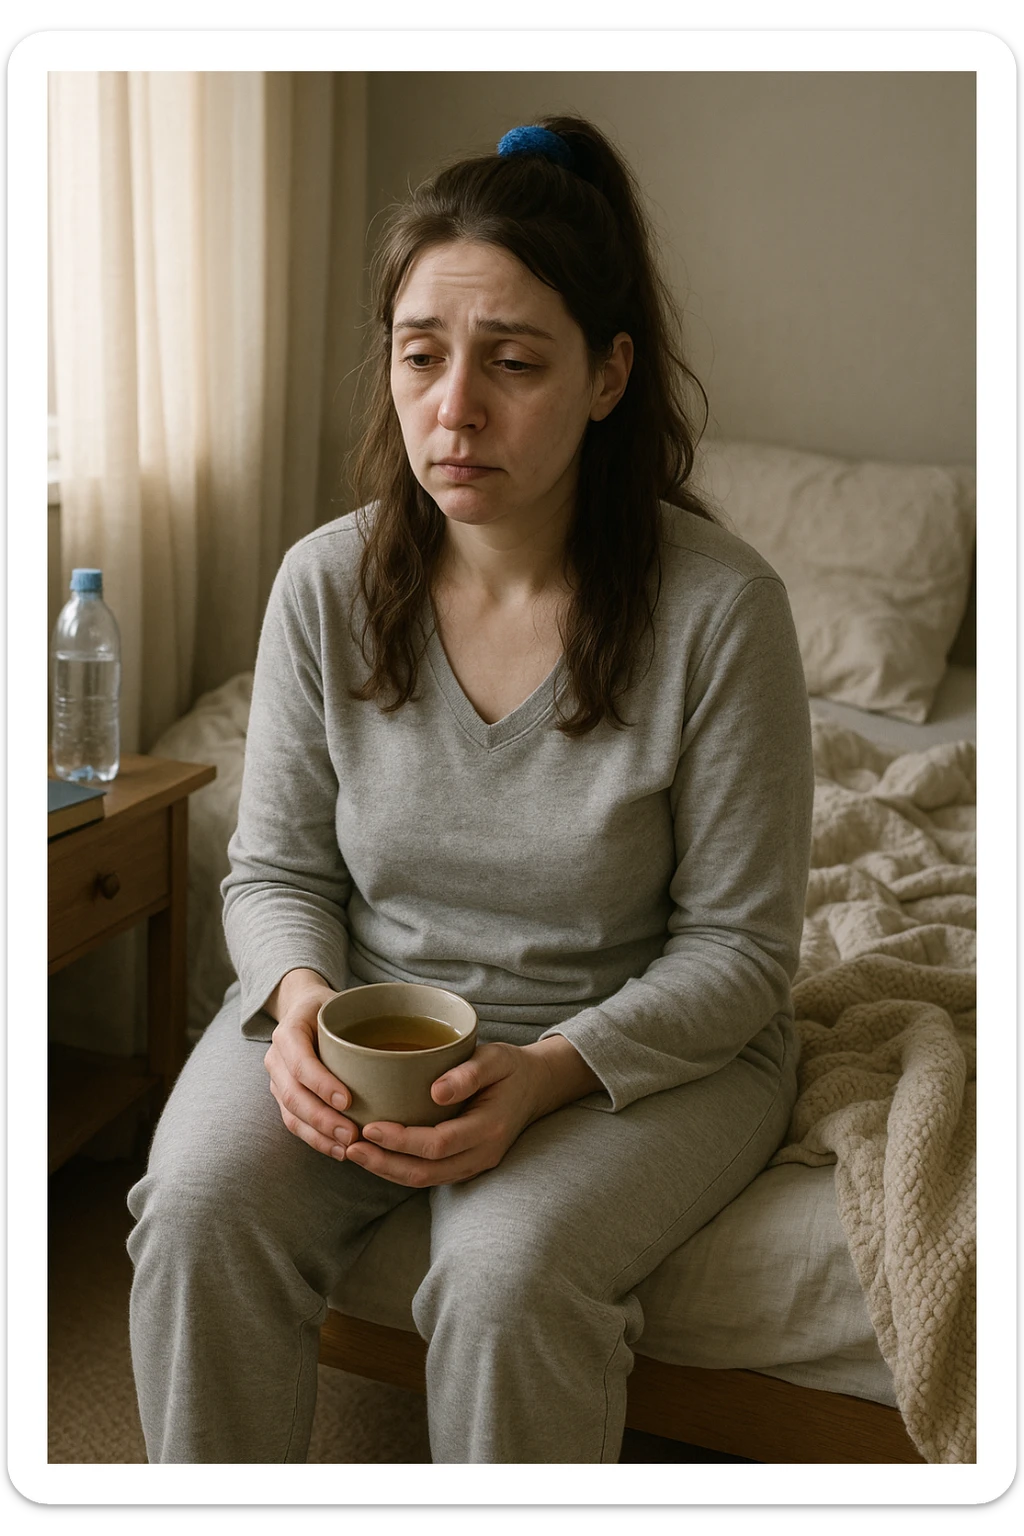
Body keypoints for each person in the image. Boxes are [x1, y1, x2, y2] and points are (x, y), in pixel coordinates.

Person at [126, 115, 814, 1465]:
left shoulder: (725, 612)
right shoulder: (327, 582)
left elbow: (743, 950)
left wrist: (548, 1074)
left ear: (609, 377)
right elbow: (272, 871)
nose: (456, 410)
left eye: (515, 364)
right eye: (421, 356)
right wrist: (304, 1006)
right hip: (368, 1015)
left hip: (629, 1052)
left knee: (503, 1284)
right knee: (195, 1208)